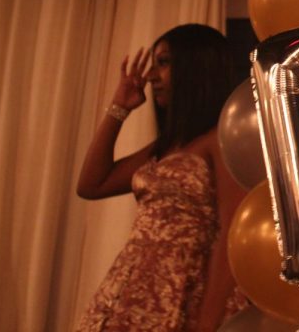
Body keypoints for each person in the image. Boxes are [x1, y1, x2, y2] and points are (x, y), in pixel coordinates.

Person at [76, 24, 248, 332]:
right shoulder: (166, 146)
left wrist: (206, 323)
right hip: (135, 283)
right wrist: (119, 107)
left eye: (164, 63)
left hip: (186, 289)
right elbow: (91, 184)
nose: (152, 76)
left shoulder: (220, 139)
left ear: (197, 67)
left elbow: (232, 234)